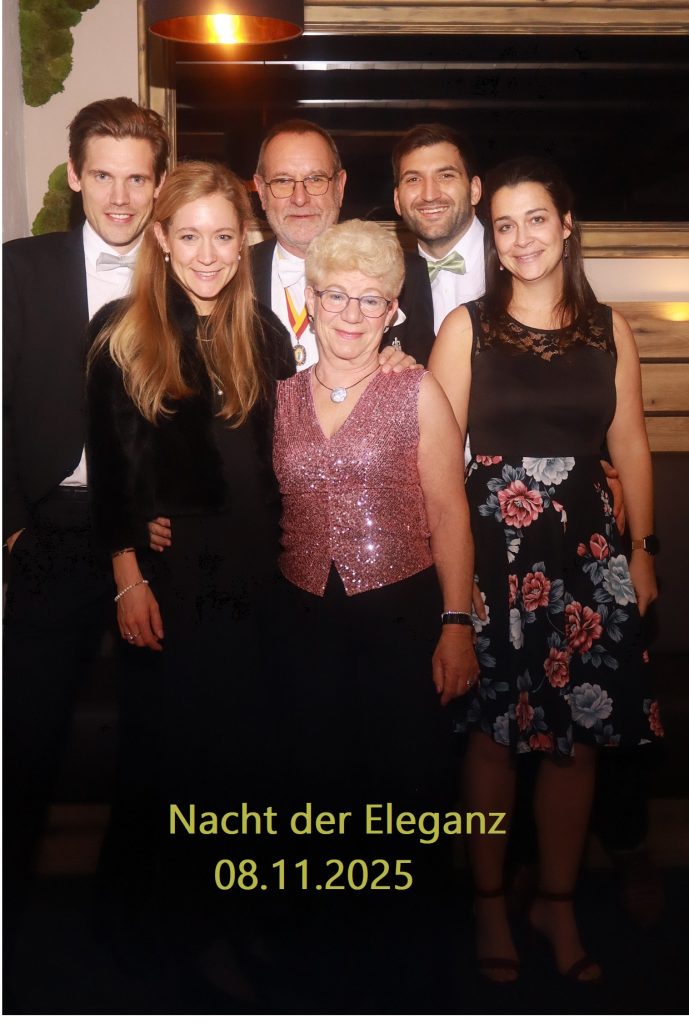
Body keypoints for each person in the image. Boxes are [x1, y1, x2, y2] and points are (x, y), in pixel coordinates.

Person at [428, 156, 661, 983]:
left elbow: (630, 445)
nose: (521, 237)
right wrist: (452, 596)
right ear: (490, 241)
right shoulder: (465, 328)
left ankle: (556, 905)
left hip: (589, 559)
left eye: (536, 219)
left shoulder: (609, 330)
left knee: (576, 744)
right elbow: (434, 463)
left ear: (566, 226)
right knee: (492, 742)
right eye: (504, 225)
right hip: (493, 556)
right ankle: (490, 904)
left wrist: (642, 553)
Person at [86, 160, 295, 981]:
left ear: (243, 242)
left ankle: (237, 919)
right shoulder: (120, 333)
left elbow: (292, 454)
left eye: (223, 236)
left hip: (259, 578)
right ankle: (164, 938)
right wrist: (127, 573)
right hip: (171, 582)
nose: (208, 254)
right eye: (190, 236)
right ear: (162, 241)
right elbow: (111, 473)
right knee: (170, 765)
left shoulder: (264, 334)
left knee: (248, 762)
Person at [270, 219, 479, 996]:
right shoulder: (278, 397)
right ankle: (325, 963)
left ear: (393, 311)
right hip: (300, 621)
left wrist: (455, 624)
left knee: (406, 790)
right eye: (336, 296)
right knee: (315, 791)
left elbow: (449, 514)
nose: (351, 314)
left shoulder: (415, 391)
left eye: (371, 300)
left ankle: (410, 965)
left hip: (401, 615)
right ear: (310, 301)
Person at [2, 96, 168, 958]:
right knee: (22, 738)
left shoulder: (187, 270)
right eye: (103, 175)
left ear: (159, 184)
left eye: (137, 179)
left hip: (156, 535)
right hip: (51, 528)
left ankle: (128, 929)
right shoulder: (18, 269)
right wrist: (10, 528)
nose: (120, 196)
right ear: (74, 176)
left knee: (156, 741)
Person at [252, 119, 435, 366]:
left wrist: (407, 373)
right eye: (283, 181)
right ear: (261, 191)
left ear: (339, 186)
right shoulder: (235, 275)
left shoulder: (409, 273)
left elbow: (424, 369)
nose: (300, 198)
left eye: (315, 179)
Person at [393, 122, 485, 334]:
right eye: (414, 179)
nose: (430, 194)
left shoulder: (517, 261)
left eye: (445, 176)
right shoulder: (386, 280)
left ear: (474, 190)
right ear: (397, 200)